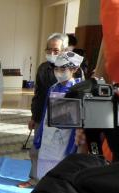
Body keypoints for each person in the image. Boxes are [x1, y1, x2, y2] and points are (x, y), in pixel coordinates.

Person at [18, 33, 68, 188]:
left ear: (64, 50)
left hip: (60, 120)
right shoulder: (42, 68)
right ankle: (33, 179)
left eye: (56, 50)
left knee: (57, 154)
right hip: (41, 116)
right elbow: (38, 94)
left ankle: (52, 184)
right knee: (35, 150)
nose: (52, 53)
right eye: (49, 49)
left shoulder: (70, 69)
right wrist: (34, 116)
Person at [33, 51, 84, 180]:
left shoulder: (77, 90)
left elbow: (78, 122)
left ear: (74, 69)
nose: (58, 72)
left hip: (65, 138)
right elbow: (45, 112)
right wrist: (39, 134)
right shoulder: (52, 88)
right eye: (56, 68)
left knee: (59, 171)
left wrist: (73, 145)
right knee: (43, 170)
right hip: (48, 137)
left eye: (63, 68)